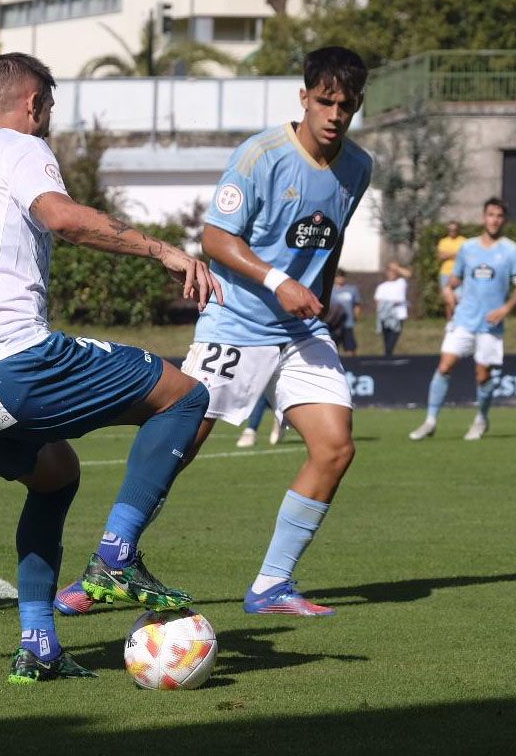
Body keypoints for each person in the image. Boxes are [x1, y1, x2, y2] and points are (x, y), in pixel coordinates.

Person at [0, 52, 221, 684]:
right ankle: (115, 558)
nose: (49, 121)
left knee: (55, 477)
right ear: (33, 103)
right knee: (187, 397)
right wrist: (162, 249)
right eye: (49, 109)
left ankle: (39, 644)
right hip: (12, 364)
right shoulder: (19, 147)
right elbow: (60, 217)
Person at [60, 46, 372, 618]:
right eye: (324, 101)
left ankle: (272, 584)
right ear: (303, 97)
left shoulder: (359, 167)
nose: (333, 114)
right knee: (180, 446)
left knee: (335, 448)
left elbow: (332, 237)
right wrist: (279, 280)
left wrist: (318, 294)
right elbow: (216, 238)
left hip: (300, 332)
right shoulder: (260, 156)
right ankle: (105, 565)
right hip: (237, 324)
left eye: (345, 106)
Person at [409, 197, 516, 442]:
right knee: (444, 366)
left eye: (499, 216)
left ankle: (481, 419)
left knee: (483, 375)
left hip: (490, 323)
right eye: (490, 215)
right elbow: (455, 278)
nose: (494, 220)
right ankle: (430, 421)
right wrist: (448, 290)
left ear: (504, 220)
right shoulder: (468, 248)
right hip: (464, 319)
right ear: (483, 217)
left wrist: (505, 310)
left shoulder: (512, 250)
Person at [374, 262, 411, 357]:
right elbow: (378, 302)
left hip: (398, 315)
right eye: (390, 271)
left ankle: (388, 355)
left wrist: (397, 267)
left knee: (393, 338)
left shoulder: (401, 282)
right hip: (385, 316)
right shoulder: (382, 286)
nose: (392, 273)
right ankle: (387, 356)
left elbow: (409, 274)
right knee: (386, 339)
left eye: (394, 272)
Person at [326, 267, 362, 358]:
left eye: (342, 276)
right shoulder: (330, 290)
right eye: (337, 276)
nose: (340, 279)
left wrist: (356, 317)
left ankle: (352, 366)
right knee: (332, 347)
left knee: (350, 347)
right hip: (333, 324)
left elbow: (357, 305)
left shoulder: (352, 289)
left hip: (347, 323)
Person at [437, 221, 466, 311]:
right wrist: (455, 255)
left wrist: (448, 255)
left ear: (458, 230)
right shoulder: (443, 241)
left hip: (459, 273)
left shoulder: (464, 241)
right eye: (450, 230)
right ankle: (450, 322)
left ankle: (459, 320)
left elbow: (464, 256)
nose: (452, 232)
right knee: (447, 299)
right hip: (445, 273)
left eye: (454, 230)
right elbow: (441, 256)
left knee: (459, 298)